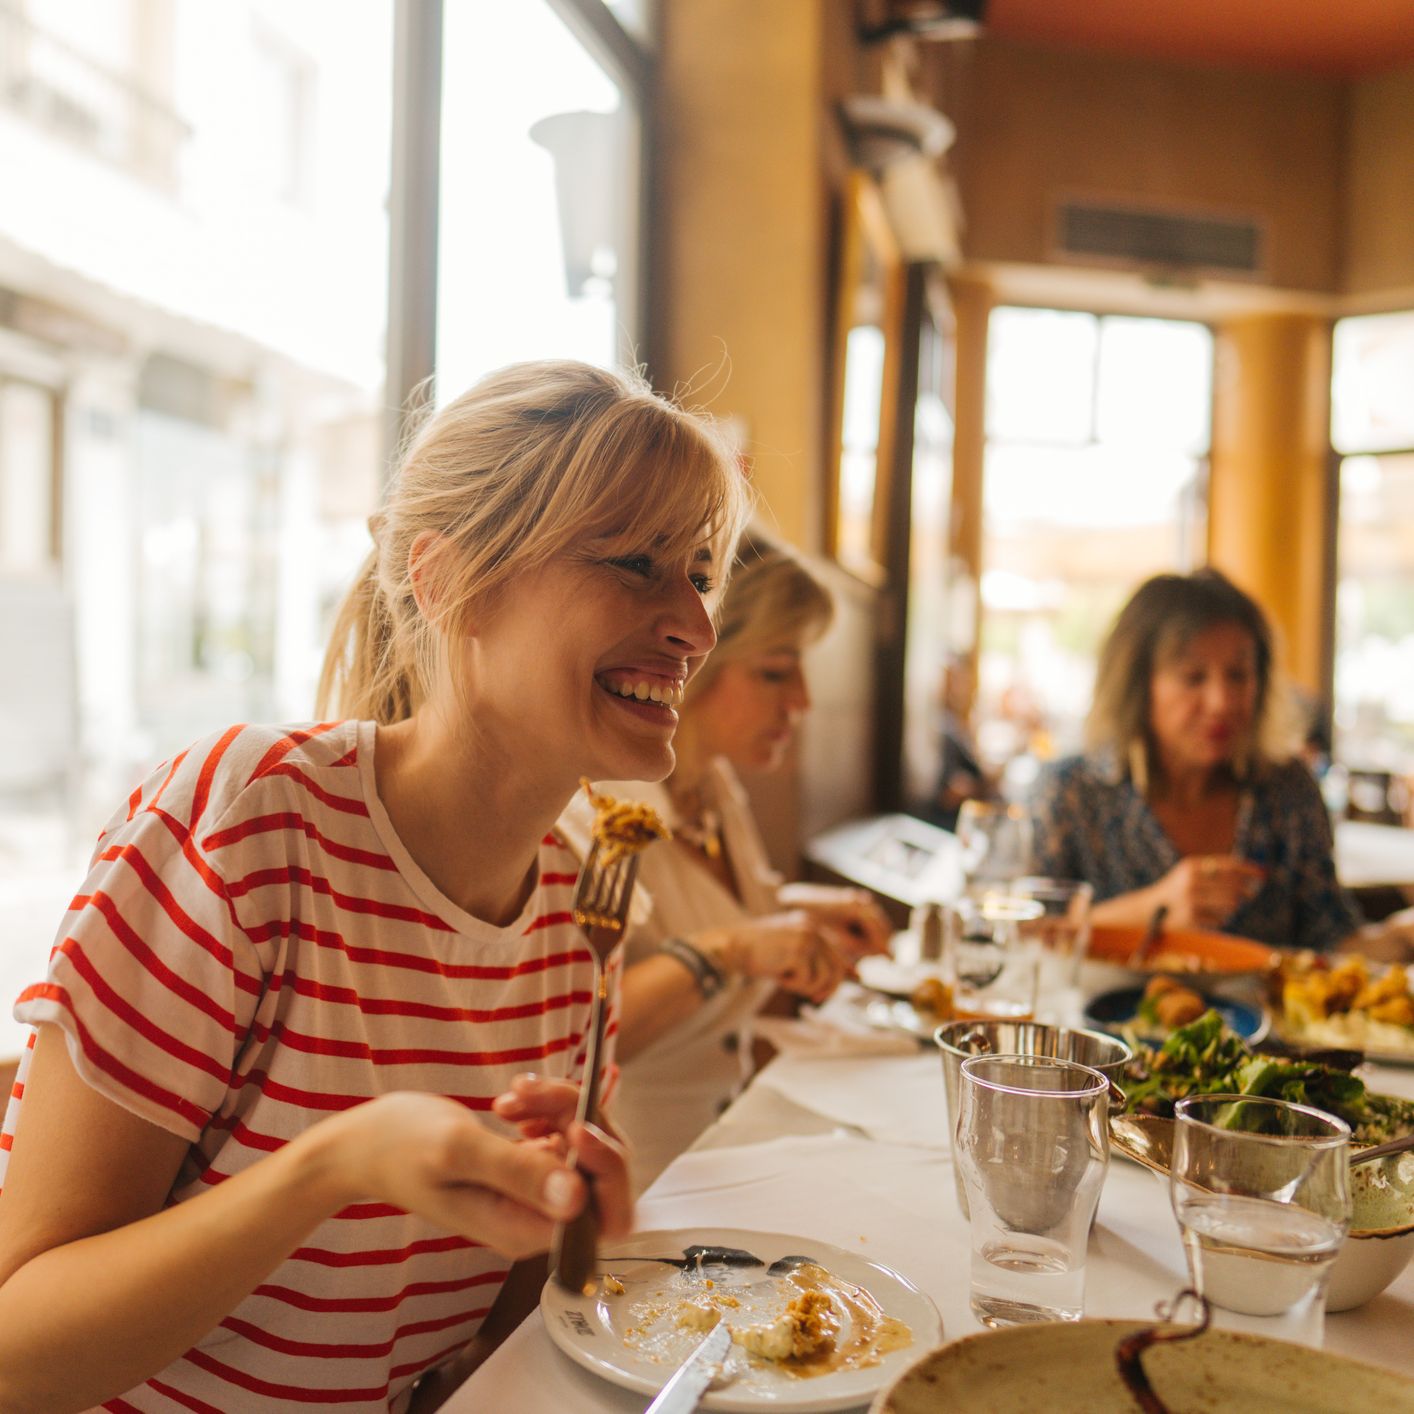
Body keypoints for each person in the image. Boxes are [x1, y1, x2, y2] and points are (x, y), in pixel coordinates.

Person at [0, 360, 749, 1412]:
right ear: (448, 582)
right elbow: (17, 1351)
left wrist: (563, 1213)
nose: (695, 628)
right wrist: (336, 1163)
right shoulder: (248, 816)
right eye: (635, 562)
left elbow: (476, 1332)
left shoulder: (579, 910)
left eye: (702, 574)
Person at [559, 532, 891, 1192]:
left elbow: (720, 914)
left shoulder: (710, 787)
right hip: (644, 1189)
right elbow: (579, 1029)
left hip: (734, 1152)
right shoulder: (604, 811)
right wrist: (737, 948)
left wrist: (798, 911)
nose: (801, 700)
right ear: (700, 662)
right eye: (775, 671)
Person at [1030, 568, 1362, 952]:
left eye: (1238, 675)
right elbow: (1024, 941)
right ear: (1139, 686)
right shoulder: (1072, 792)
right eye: (1193, 677)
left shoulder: (1286, 788)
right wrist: (1153, 909)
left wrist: (1401, 937)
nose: (1222, 702)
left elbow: (1335, 941)